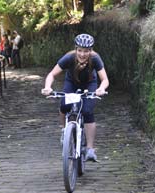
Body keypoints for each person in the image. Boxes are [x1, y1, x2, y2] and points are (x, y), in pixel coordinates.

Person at [41, 33, 109, 161]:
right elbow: (51, 74)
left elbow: (104, 79)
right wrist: (48, 87)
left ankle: (90, 149)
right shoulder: (68, 58)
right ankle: (64, 131)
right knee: (64, 105)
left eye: (86, 51)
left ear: (91, 51)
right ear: (75, 49)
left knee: (87, 111)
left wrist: (101, 88)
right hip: (71, 83)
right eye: (80, 50)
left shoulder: (95, 59)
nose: (82, 54)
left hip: (90, 83)